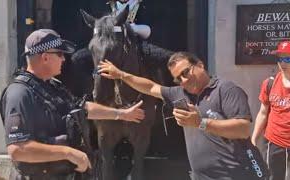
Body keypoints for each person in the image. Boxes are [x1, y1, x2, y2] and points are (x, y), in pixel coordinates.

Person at [0, 29, 145, 180]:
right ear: (45, 57)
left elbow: (82, 108)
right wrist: (68, 153)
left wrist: (121, 114)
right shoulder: (19, 93)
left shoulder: (51, 86)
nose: (63, 59)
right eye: (60, 54)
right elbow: (17, 149)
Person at [98, 51, 269, 180]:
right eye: (178, 79)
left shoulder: (226, 90)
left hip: (238, 175)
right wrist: (120, 75)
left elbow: (243, 129)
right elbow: (150, 87)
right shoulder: (179, 93)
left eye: (186, 72)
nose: (184, 80)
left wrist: (201, 123)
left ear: (200, 65)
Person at [251, 41, 290, 180]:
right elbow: (263, 113)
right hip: (274, 143)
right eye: (280, 59)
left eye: (287, 59)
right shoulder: (269, 83)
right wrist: (254, 138)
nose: (283, 63)